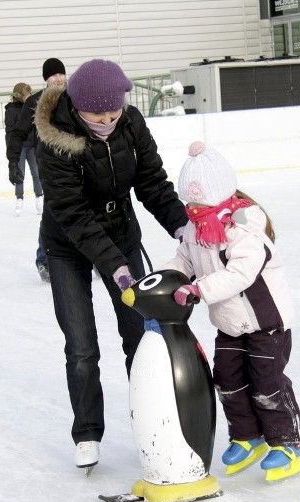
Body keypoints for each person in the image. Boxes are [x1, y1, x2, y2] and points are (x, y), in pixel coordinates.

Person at [33, 59, 188, 470]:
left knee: (139, 335)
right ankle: (87, 432)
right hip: (67, 245)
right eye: (96, 114)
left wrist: (182, 226)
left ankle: (151, 421)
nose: (106, 120)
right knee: (82, 346)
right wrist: (117, 268)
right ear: (77, 106)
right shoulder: (55, 141)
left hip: (120, 234)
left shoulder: (131, 123)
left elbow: (153, 182)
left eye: (113, 112)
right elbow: (74, 215)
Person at [162, 142, 300, 481]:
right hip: (229, 324)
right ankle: (247, 435)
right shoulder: (196, 229)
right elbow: (184, 260)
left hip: (265, 324)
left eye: (198, 200)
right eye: (188, 199)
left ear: (219, 195)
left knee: (265, 383)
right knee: (226, 380)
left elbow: (241, 273)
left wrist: (198, 289)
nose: (192, 207)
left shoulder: (243, 228)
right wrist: (163, 280)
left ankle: (287, 443)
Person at [6, 58, 67, 283]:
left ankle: (97, 259)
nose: (58, 78)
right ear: (46, 79)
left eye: (61, 73)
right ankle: (44, 260)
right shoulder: (35, 102)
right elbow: (17, 133)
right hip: (50, 167)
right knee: (53, 215)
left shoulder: (73, 97)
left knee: (87, 212)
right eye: (53, 75)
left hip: (77, 164)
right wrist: (13, 162)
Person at [4, 83, 43, 217]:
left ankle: (39, 198)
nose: (31, 96)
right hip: (20, 148)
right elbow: (10, 133)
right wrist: (11, 153)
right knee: (19, 174)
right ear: (20, 95)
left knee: (36, 173)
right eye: (28, 94)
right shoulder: (11, 110)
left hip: (32, 146)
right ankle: (19, 199)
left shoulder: (32, 106)